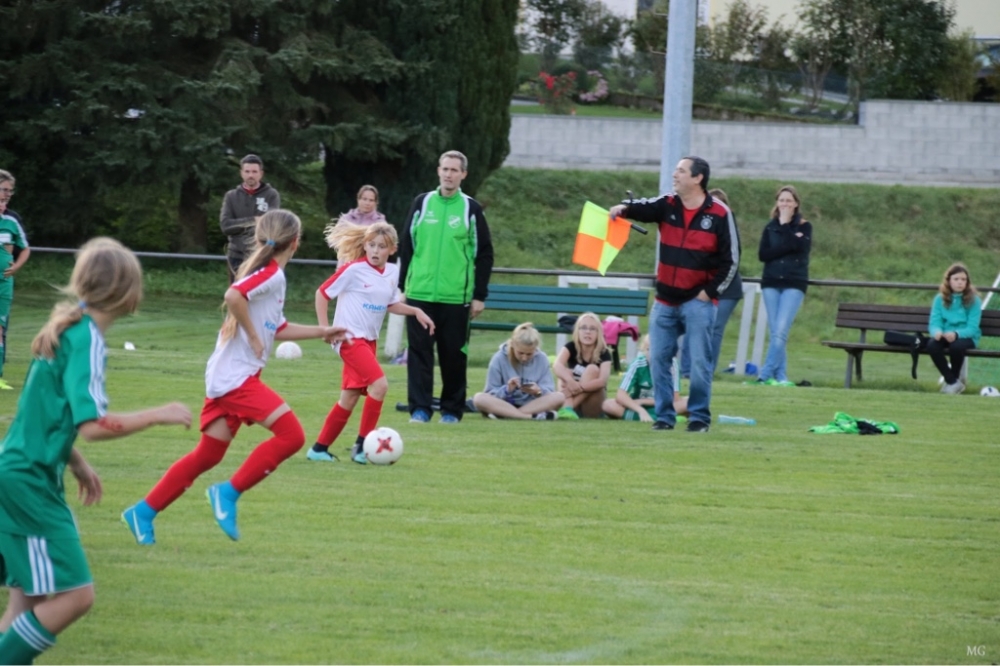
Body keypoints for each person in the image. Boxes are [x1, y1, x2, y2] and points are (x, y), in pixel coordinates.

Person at [0, 238, 192, 664]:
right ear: (127, 291)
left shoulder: (68, 329)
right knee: (76, 596)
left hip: (19, 473)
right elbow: (91, 426)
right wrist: (156, 414)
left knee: (27, 603)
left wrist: (76, 463)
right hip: (28, 482)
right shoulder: (85, 339)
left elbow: (46, 415)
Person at [121, 210, 346, 545]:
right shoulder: (271, 275)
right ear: (295, 243)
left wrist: (322, 331)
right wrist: (253, 336)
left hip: (227, 377)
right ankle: (227, 493)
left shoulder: (272, 277)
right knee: (292, 436)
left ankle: (142, 512)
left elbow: (277, 327)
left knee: (208, 455)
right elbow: (233, 296)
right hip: (236, 380)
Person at [609, 156, 739, 433]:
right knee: (658, 359)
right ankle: (665, 417)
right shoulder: (667, 203)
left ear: (698, 178)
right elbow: (644, 207)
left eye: (681, 171)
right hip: (665, 301)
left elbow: (732, 261)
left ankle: (699, 418)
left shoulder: (720, 213)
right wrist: (624, 208)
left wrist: (709, 293)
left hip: (698, 302)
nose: (674, 174)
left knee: (700, 362)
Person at [308, 221, 435, 465]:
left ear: (392, 249)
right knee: (380, 386)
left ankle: (319, 449)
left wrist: (416, 311)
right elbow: (322, 294)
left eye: (382, 246)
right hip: (348, 339)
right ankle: (362, 448)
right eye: (372, 245)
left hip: (368, 342)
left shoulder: (391, 272)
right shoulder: (353, 270)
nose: (376, 250)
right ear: (365, 245)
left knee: (350, 397)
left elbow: (390, 304)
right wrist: (325, 328)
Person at [399, 150, 494, 424]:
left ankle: (452, 410)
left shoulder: (471, 209)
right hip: (419, 294)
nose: (449, 174)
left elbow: (484, 253)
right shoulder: (422, 203)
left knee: (453, 356)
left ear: (463, 174)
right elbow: (406, 245)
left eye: (454, 170)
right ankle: (420, 409)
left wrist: (479, 295)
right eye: (445, 169)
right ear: (438, 171)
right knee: (419, 355)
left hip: (456, 298)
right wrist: (402, 286)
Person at [680, 188, 742, 376]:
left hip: (726, 288)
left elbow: (730, 257)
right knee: (692, 326)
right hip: (700, 286)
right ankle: (686, 370)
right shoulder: (697, 225)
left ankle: (706, 371)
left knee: (714, 329)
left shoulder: (727, 227)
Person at [754, 185, 812, 387]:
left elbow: (799, 247)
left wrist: (786, 226)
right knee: (776, 332)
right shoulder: (770, 227)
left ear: (796, 204)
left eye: (788, 200)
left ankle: (764, 375)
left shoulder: (804, 227)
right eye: (781, 200)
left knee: (780, 330)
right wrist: (787, 246)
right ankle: (781, 377)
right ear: (777, 203)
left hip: (793, 283)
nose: (785, 204)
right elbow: (764, 255)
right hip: (771, 282)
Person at [472, 323, 565, 420]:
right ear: (512, 345)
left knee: (559, 397)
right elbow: (490, 392)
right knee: (479, 398)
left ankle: (505, 414)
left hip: (532, 404)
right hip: (504, 403)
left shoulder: (542, 359)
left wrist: (538, 391)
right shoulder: (498, 358)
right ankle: (530, 416)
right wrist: (507, 390)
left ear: (535, 349)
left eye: (529, 354)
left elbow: (549, 391)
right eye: (520, 353)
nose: (524, 358)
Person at [219, 154, 282, 281]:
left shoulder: (271, 195)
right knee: (236, 292)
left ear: (261, 173)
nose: (250, 175)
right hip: (236, 256)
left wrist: (239, 225)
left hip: (261, 255)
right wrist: (254, 220)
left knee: (258, 291)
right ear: (241, 173)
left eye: (254, 171)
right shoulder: (231, 196)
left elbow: (269, 225)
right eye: (247, 171)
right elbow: (226, 226)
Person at [602, 335, 689, 423]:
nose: (653, 353)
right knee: (608, 405)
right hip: (637, 406)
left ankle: (641, 417)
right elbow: (620, 395)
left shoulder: (672, 364)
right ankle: (665, 417)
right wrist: (640, 410)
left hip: (663, 404)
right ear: (643, 351)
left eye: (658, 349)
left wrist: (643, 401)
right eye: (649, 349)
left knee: (692, 401)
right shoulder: (638, 364)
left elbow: (674, 399)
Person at [928, 262, 982, 395]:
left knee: (956, 346)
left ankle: (952, 382)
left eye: (963, 279)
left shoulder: (974, 300)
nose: (960, 282)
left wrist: (956, 334)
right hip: (946, 334)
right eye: (956, 279)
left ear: (967, 282)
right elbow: (935, 322)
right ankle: (953, 382)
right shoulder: (939, 299)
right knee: (932, 345)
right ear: (949, 281)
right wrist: (937, 332)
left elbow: (972, 328)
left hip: (967, 337)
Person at [0, 169, 31, 391]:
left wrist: (16, 266)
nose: (7, 194)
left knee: (1, 329)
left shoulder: (12, 219)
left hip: (3, 283)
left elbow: (23, 248)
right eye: (4, 189)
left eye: (10, 191)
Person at [552, 312, 612, 419]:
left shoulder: (604, 352)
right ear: (577, 331)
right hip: (571, 397)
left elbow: (602, 381)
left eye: (592, 329)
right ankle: (568, 409)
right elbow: (557, 365)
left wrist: (578, 387)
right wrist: (570, 381)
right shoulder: (571, 346)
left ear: (598, 333)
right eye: (583, 328)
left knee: (592, 369)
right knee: (565, 372)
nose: (588, 332)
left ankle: (567, 409)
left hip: (592, 404)